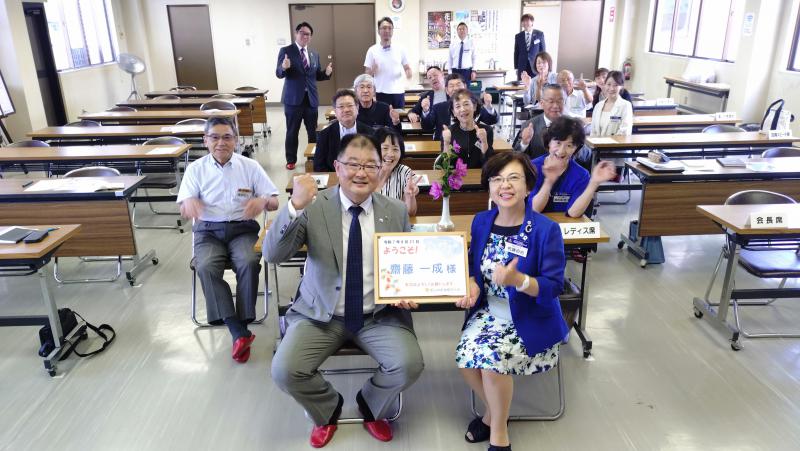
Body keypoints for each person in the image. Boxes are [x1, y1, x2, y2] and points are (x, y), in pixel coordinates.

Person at [265, 133, 424, 448]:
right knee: (285, 370)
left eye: (370, 165)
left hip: (379, 315)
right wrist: (294, 206)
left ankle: (371, 403)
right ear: (337, 167)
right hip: (320, 315)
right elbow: (273, 254)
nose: (361, 173)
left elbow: (407, 262)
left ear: (381, 170)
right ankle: (327, 408)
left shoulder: (395, 210)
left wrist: (408, 289)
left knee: (409, 365)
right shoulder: (314, 206)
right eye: (353, 164)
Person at [455, 152, 567, 451]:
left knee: (490, 362)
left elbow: (554, 286)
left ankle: (498, 433)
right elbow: (473, 266)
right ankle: (496, 414)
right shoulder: (481, 221)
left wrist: (520, 281)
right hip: (489, 313)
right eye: (496, 179)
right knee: (465, 359)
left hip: (530, 320)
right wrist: (472, 282)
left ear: (528, 187)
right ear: (489, 187)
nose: (504, 185)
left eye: (513, 178)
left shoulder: (545, 229)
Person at [177, 116, 279, 363]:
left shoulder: (250, 166)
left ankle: (240, 326)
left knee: (249, 261)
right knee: (205, 265)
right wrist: (188, 204)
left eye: (227, 137)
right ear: (205, 140)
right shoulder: (195, 169)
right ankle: (238, 330)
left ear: (236, 140)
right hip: (208, 231)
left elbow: (274, 201)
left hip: (242, 228)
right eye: (214, 137)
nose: (221, 143)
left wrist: (262, 201)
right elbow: (184, 206)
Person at [531, 116, 616, 217]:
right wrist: (548, 182)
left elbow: (573, 213)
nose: (561, 151)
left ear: (576, 149)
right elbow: (534, 209)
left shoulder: (581, 175)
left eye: (569, 145)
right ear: (548, 142)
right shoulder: (533, 167)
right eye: (558, 143)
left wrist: (594, 183)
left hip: (565, 225)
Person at [276, 22, 333, 170]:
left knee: (313, 131)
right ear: (296, 34)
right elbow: (278, 73)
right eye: (302, 33)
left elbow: (316, 75)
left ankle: (313, 157)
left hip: (311, 100)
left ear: (310, 37)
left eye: (308, 34)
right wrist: (284, 67)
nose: (305, 36)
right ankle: (291, 160)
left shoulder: (314, 54)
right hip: (293, 100)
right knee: (292, 131)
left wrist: (326, 73)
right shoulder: (286, 51)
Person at [422, 73, 498, 141]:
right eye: (451, 86)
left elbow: (491, 120)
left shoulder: (473, 104)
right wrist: (425, 110)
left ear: (465, 87)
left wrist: (488, 106)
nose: (455, 88)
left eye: (458, 85)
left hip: (470, 143)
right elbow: (427, 126)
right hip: (444, 144)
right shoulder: (438, 108)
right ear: (447, 90)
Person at [314, 89, 373, 172]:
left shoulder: (370, 132)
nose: (346, 110)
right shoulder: (324, 135)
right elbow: (318, 166)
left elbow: (373, 162)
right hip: (335, 177)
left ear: (357, 108)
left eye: (350, 105)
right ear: (335, 111)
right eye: (341, 106)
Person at [364, 17, 412, 109]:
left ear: (392, 31)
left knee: (399, 116)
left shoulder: (400, 49)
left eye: (390, 28)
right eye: (384, 28)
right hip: (381, 92)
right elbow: (367, 75)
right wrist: (372, 70)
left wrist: (408, 73)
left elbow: (407, 68)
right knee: (382, 116)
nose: (387, 30)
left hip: (398, 92)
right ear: (378, 31)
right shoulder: (372, 50)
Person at [441, 88, 493, 169]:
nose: (462, 109)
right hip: (456, 176)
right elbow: (445, 166)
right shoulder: (448, 132)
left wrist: (484, 142)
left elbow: (489, 164)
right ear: (454, 112)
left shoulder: (486, 130)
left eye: (466, 104)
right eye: (458, 106)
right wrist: (446, 143)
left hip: (479, 176)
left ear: (474, 106)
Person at [374, 127, 419, 215]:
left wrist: (409, 196)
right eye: (385, 148)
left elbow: (410, 213)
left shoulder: (404, 172)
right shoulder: (364, 172)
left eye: (395, 149)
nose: (391, 154)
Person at [512, 84, 564, 159]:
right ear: (542, 104)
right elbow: (515, 156)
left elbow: (582, 156)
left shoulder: (572, 126)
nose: (555, 106)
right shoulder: (529, 125)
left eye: (559, 101)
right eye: (551, 101)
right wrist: (524, 143)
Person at [591, 70, 633, 137]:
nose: (611, 88)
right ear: (605, 84)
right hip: (596, 143)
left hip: (615, 143)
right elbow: (593, 130)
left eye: (615, 85)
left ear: (621, 86)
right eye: (608, 84)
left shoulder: (626, 105)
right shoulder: (598, 106)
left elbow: (624, 131)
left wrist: (607, 142)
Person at [513, 14, 546, 80]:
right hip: (522, 66)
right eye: (523, 21)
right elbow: (516, 52)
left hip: (535, 65)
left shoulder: (539, 34)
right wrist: (516, 67)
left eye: (527, 21)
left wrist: (542, 65)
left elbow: (543, 51)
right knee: (522, 84)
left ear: (532, 22)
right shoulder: (518, 36)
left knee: (535, 83)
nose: (525, 23)